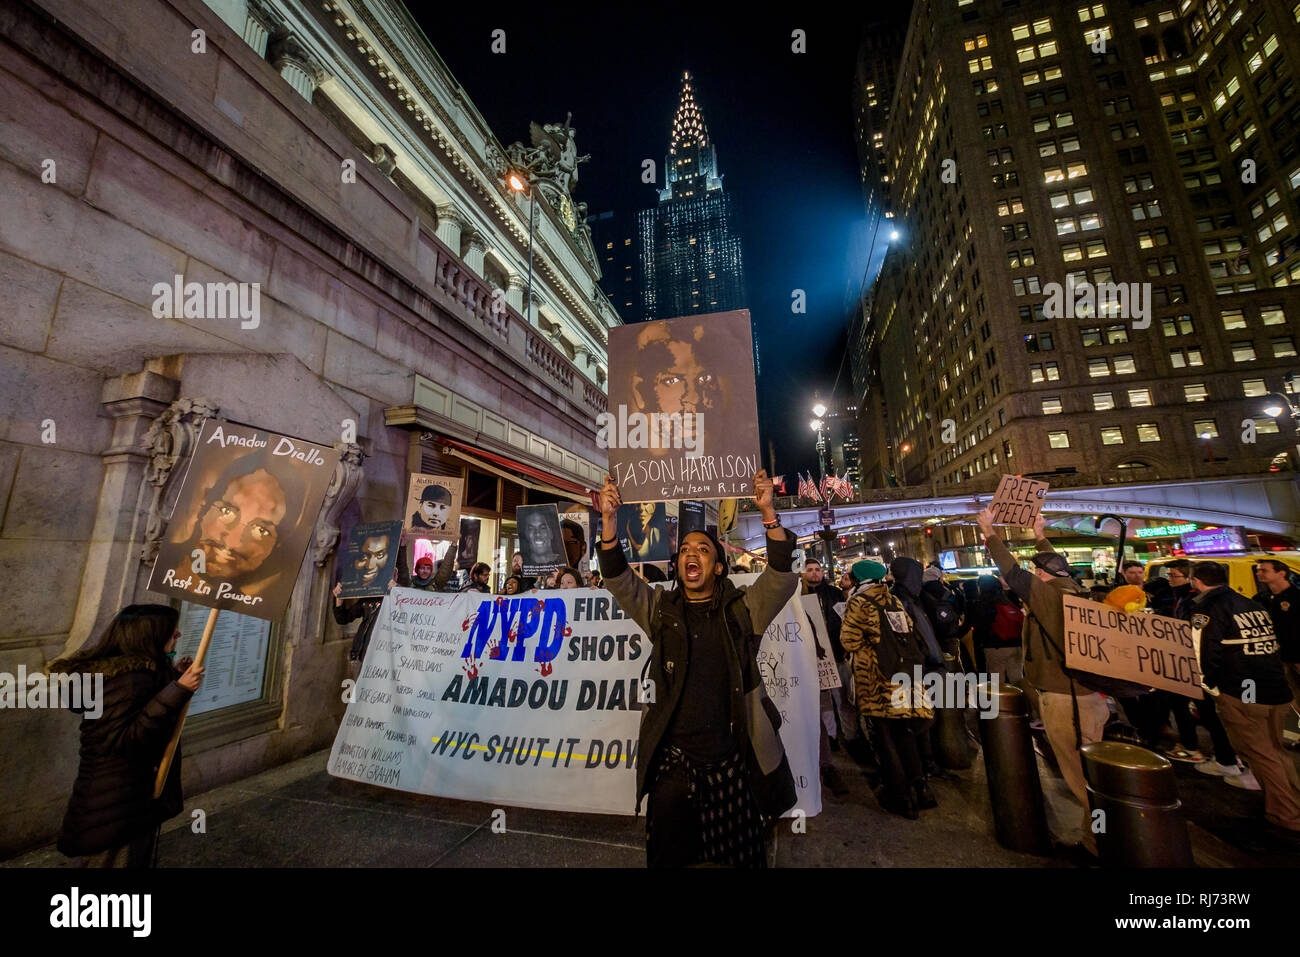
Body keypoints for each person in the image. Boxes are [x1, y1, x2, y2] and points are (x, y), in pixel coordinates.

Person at [598, 469, 798, 867]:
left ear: (719, 568)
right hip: (674, 768)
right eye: (686, 549)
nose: (691, 553)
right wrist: (608, 521)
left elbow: (778, 578)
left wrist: (768, 513)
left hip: (731, 766)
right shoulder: (660, 611)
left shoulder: (742, 611)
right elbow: (618, 579)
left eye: (703, 550)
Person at [977, 508, 1106, 858]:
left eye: (1037, 570)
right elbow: (1049, 565)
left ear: (1042, 575)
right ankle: (1096, 837)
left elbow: (1013, 572)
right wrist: (1038, 534)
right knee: (1089, 770)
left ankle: (1102, 842)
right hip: (1087, 696)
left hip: (1067, 700)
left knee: (1083, 779)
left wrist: (988, 531)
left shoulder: (1051, 597)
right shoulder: (1077, 591)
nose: (1032, 575)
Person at [48, 605, 205, 867]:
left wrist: (174, 679)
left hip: (120, 797)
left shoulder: (128, 675)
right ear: (148, 635)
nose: (177, 634)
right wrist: (176, 690)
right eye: (170, 629)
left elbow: (141, 711)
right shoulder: (131, 680)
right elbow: (125, 740)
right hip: (118, 803)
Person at [1189, 561, 1300, 833]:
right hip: (1276, 690)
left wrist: (1209, 687)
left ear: (1196, 581)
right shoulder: (1253, 604)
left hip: (1243, 693)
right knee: (1278, 752)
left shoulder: (1206, 609)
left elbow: (1201, 651)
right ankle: (1291, 803)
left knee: (1261, 754)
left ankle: (1287, 816)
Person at [839, 559, 937, 819]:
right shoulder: (892, 600)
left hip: (877, 681)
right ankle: (922, 788)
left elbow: (848, 640)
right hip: (902, 677)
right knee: (904, 734)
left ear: (859, 579)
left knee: (885, 738)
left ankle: (900, 797)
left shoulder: (859, 603)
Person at [801, 558, 852, 793]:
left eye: (817, 570)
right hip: (814, 660)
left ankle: (847, 737)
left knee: (842, 700)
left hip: (837, 654)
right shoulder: (797, 596)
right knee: (823, 705)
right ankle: (831, 739)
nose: (814, 574)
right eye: (810, 570)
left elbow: (844, 621)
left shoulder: (834, 594)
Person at [1253, 559, 1300, 719]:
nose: (1259, 573)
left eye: (1264, 570)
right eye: (1258, 570)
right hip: (1277, 657)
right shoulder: (1261, 599)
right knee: (1291, 695)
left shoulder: (1296, 597)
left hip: (1296, 656)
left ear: (1282, 573)